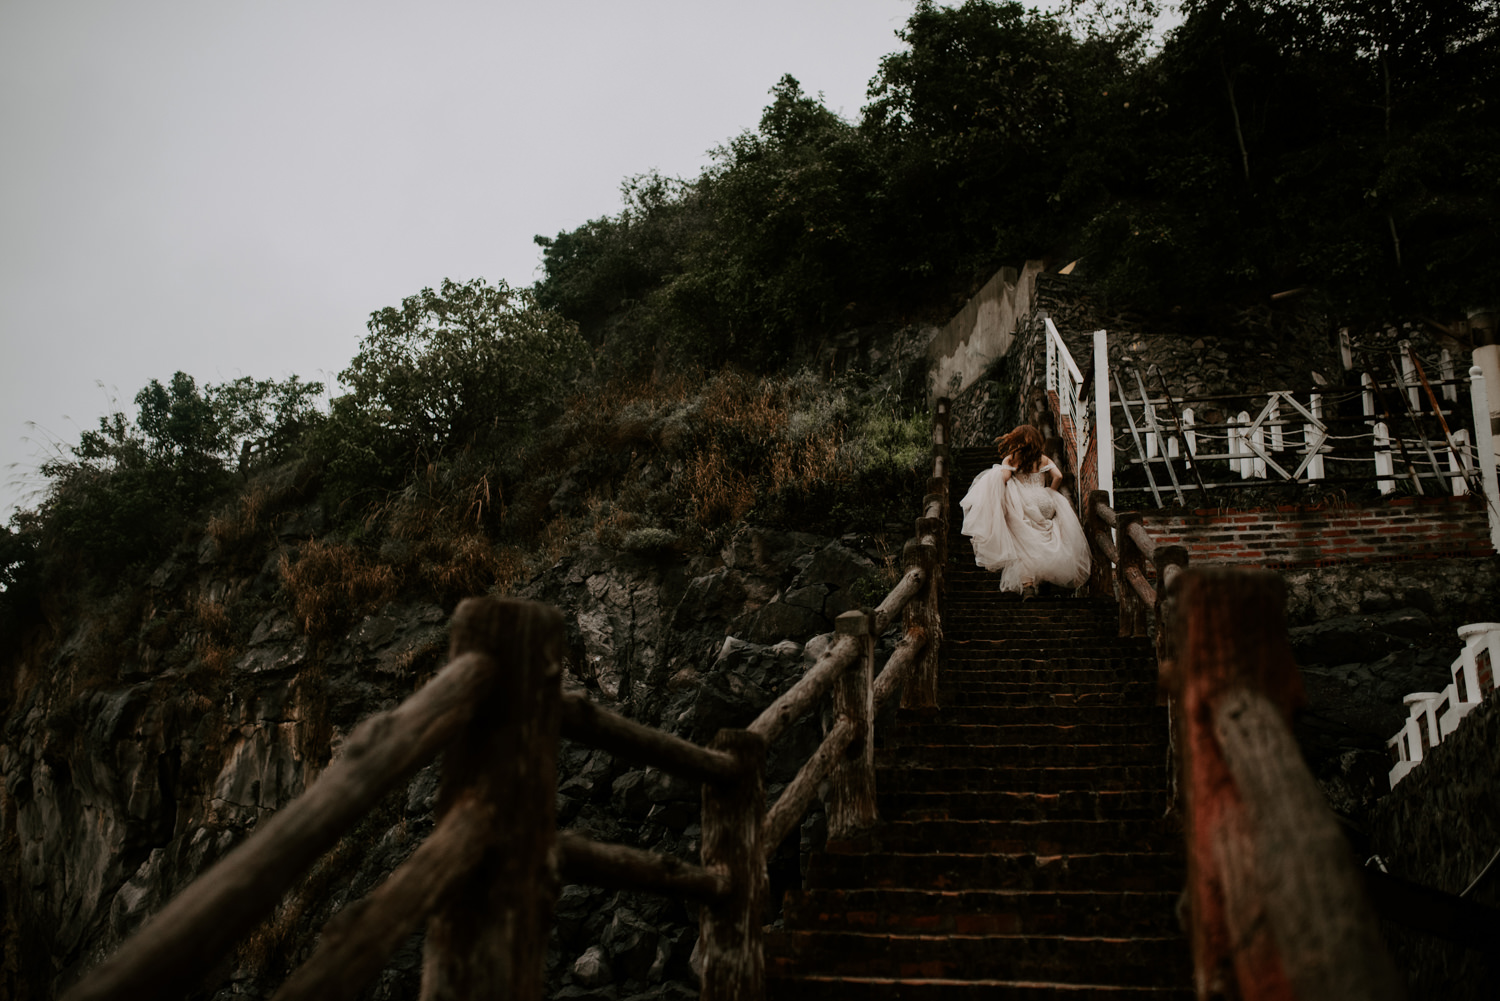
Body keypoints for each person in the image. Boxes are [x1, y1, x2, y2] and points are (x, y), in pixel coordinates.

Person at [960, 424, 1090, 598]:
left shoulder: (1011, 459)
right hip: (1044, 501)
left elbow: (1004, 478)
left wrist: (1001, 473)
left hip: (1023, 503)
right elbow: (1058, 476)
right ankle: (1045, 582)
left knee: (1023, 544)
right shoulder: (1043, 459)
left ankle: (1028, 586)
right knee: (1047, 539)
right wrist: (1050, 491)